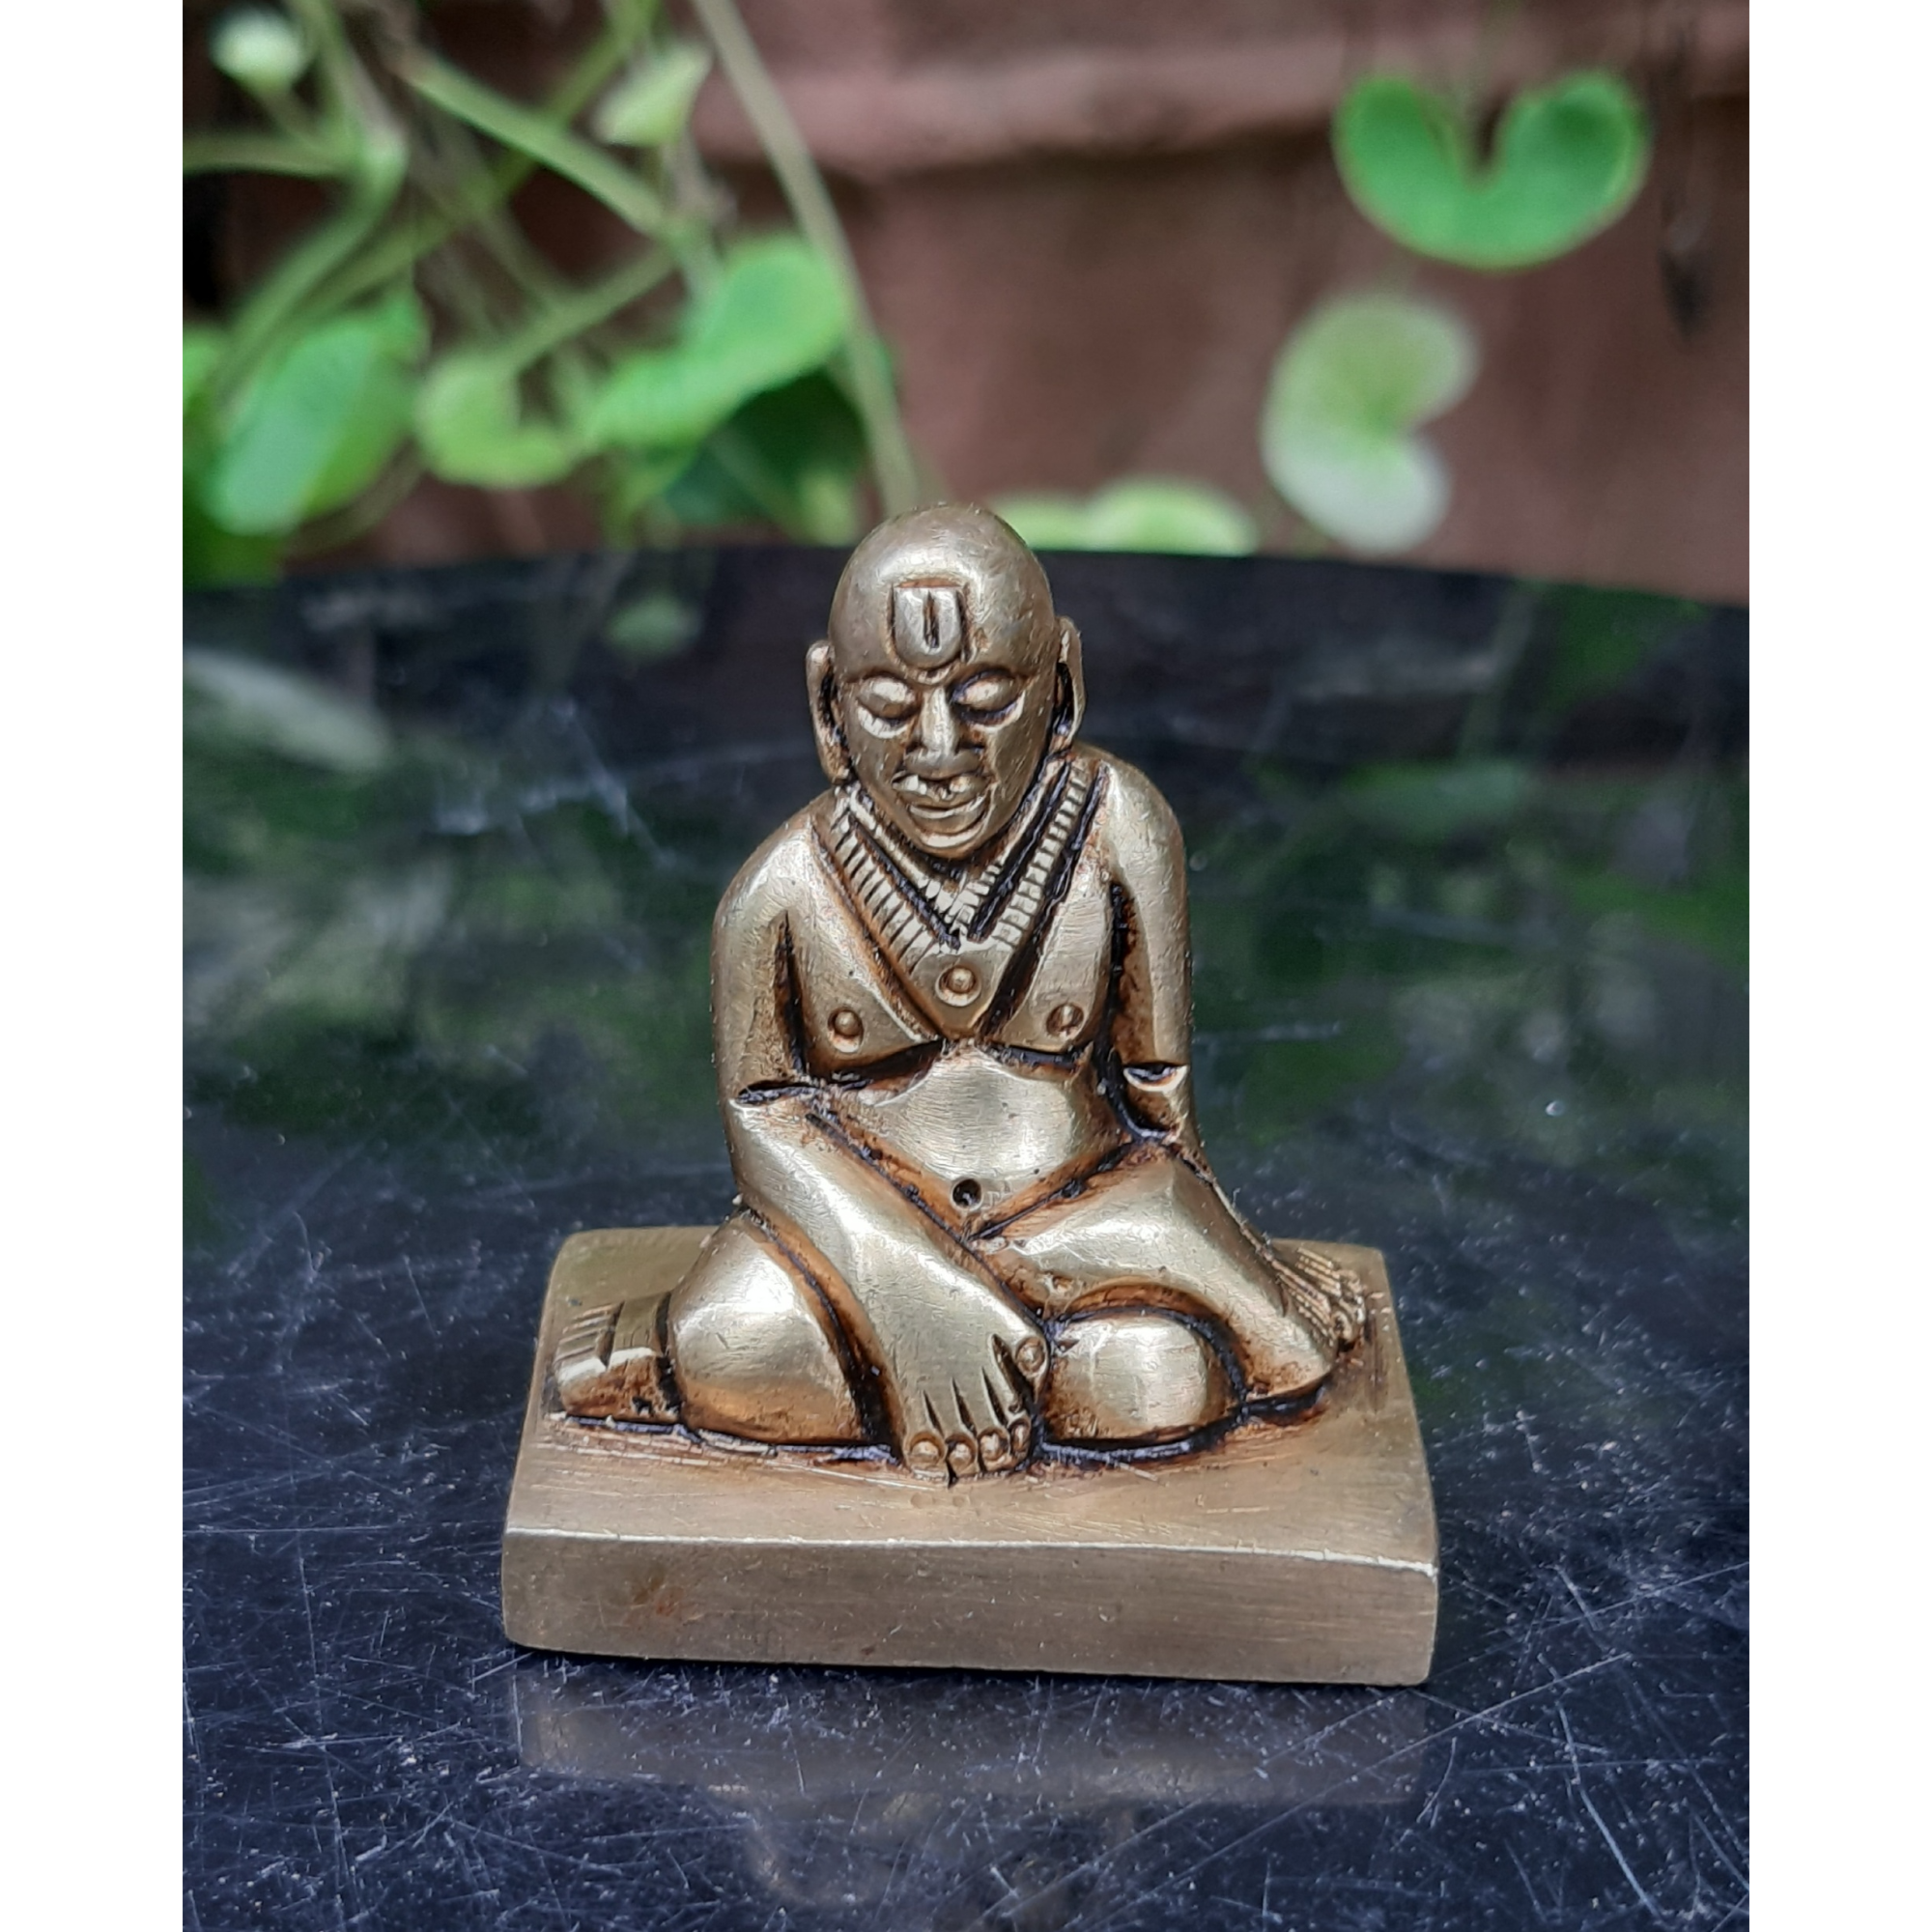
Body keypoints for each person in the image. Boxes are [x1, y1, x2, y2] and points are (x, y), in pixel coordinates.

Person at [556, 505, 1361, 1478]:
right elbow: (765, 1118)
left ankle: (982, 1365)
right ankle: (950, 1359)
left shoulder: (1119, 828)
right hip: (854, 1238)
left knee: (1176, 1383)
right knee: (734, 1349)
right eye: (888, 705)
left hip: (1079, 1214)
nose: (939, 749)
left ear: (1062, 685)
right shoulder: (781, 891)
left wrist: (1232, 1251)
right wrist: (906, 1288)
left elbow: (1156, 1103)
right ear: (827, 706)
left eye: (984, 697)